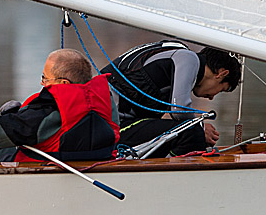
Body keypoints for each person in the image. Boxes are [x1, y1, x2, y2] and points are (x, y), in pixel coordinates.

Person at [0, 49, 119, 163]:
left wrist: (8, 118)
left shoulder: (44, 113)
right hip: (98, 166)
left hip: (45, 176)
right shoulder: (107, 106)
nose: (42, 83)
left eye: (45, 78)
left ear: (64, 84)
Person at [101, 41, 241, 157]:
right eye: (220, 89)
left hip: (111, 129)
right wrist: (201, 127)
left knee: (187, 132)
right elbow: (179, 110)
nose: (211, 97)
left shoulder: (173, 56)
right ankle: (174, 179)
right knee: (192, 132)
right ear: (222, 74)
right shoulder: (188, 58)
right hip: (109, 130)